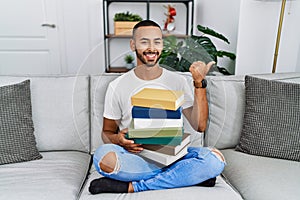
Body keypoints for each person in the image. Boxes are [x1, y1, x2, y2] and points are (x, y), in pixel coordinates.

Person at [89, 20, 225, 194]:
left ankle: (134, 186)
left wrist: (199, 84)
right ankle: (185, 176)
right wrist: (118, 140)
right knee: (102, 158)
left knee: (215, 159)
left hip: (174, 155)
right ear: (133, 45)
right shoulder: (117, 86)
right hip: (136, 157)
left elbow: (200, 126)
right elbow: (107, 133)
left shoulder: (178, 81)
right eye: (144, 42)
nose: (152, 48)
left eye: (157, 42)